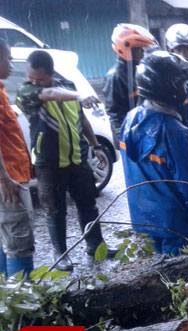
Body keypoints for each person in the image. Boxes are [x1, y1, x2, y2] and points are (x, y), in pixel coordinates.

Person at [17, 50, 113, 271]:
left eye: (39, 78)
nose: (34, 82)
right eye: (31, 77)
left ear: (51, 73)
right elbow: (49, 94)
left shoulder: (68, 85)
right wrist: (79, 96)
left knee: (88, 205)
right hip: (48, 163)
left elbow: (81, 118)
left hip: (77, 158)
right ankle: (61, 254)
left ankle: (96, 245)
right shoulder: (27, 90)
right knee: (55, 209)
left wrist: (96, 146)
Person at [120, 52, 188, 256]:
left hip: (143, 220)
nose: (186, 89)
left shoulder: (130, 119)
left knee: (160, 278)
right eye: (182, 84)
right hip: (176, 226)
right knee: (181, 279)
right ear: (170, 89)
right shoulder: (176, 134)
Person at [0, 40, 34, 277]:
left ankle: (6, 299)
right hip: (8, 182)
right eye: (8, 58)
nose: (11, 64)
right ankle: (24, 304)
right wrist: (4, 179)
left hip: (12, 176)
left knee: (6, 238)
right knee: (18, 240)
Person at [104, 24, 158, 147]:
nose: (143, 53)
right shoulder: (115, 76)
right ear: (128, 49)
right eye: (139, 49)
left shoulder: (136, 71)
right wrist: (126, 140)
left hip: (142, 133)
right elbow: (114, 114)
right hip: (130, 138)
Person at [165, 23, 188, 129]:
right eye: (179, 50)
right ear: (171, 51)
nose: (183, 55)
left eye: (187, 50)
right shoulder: (164, 78)